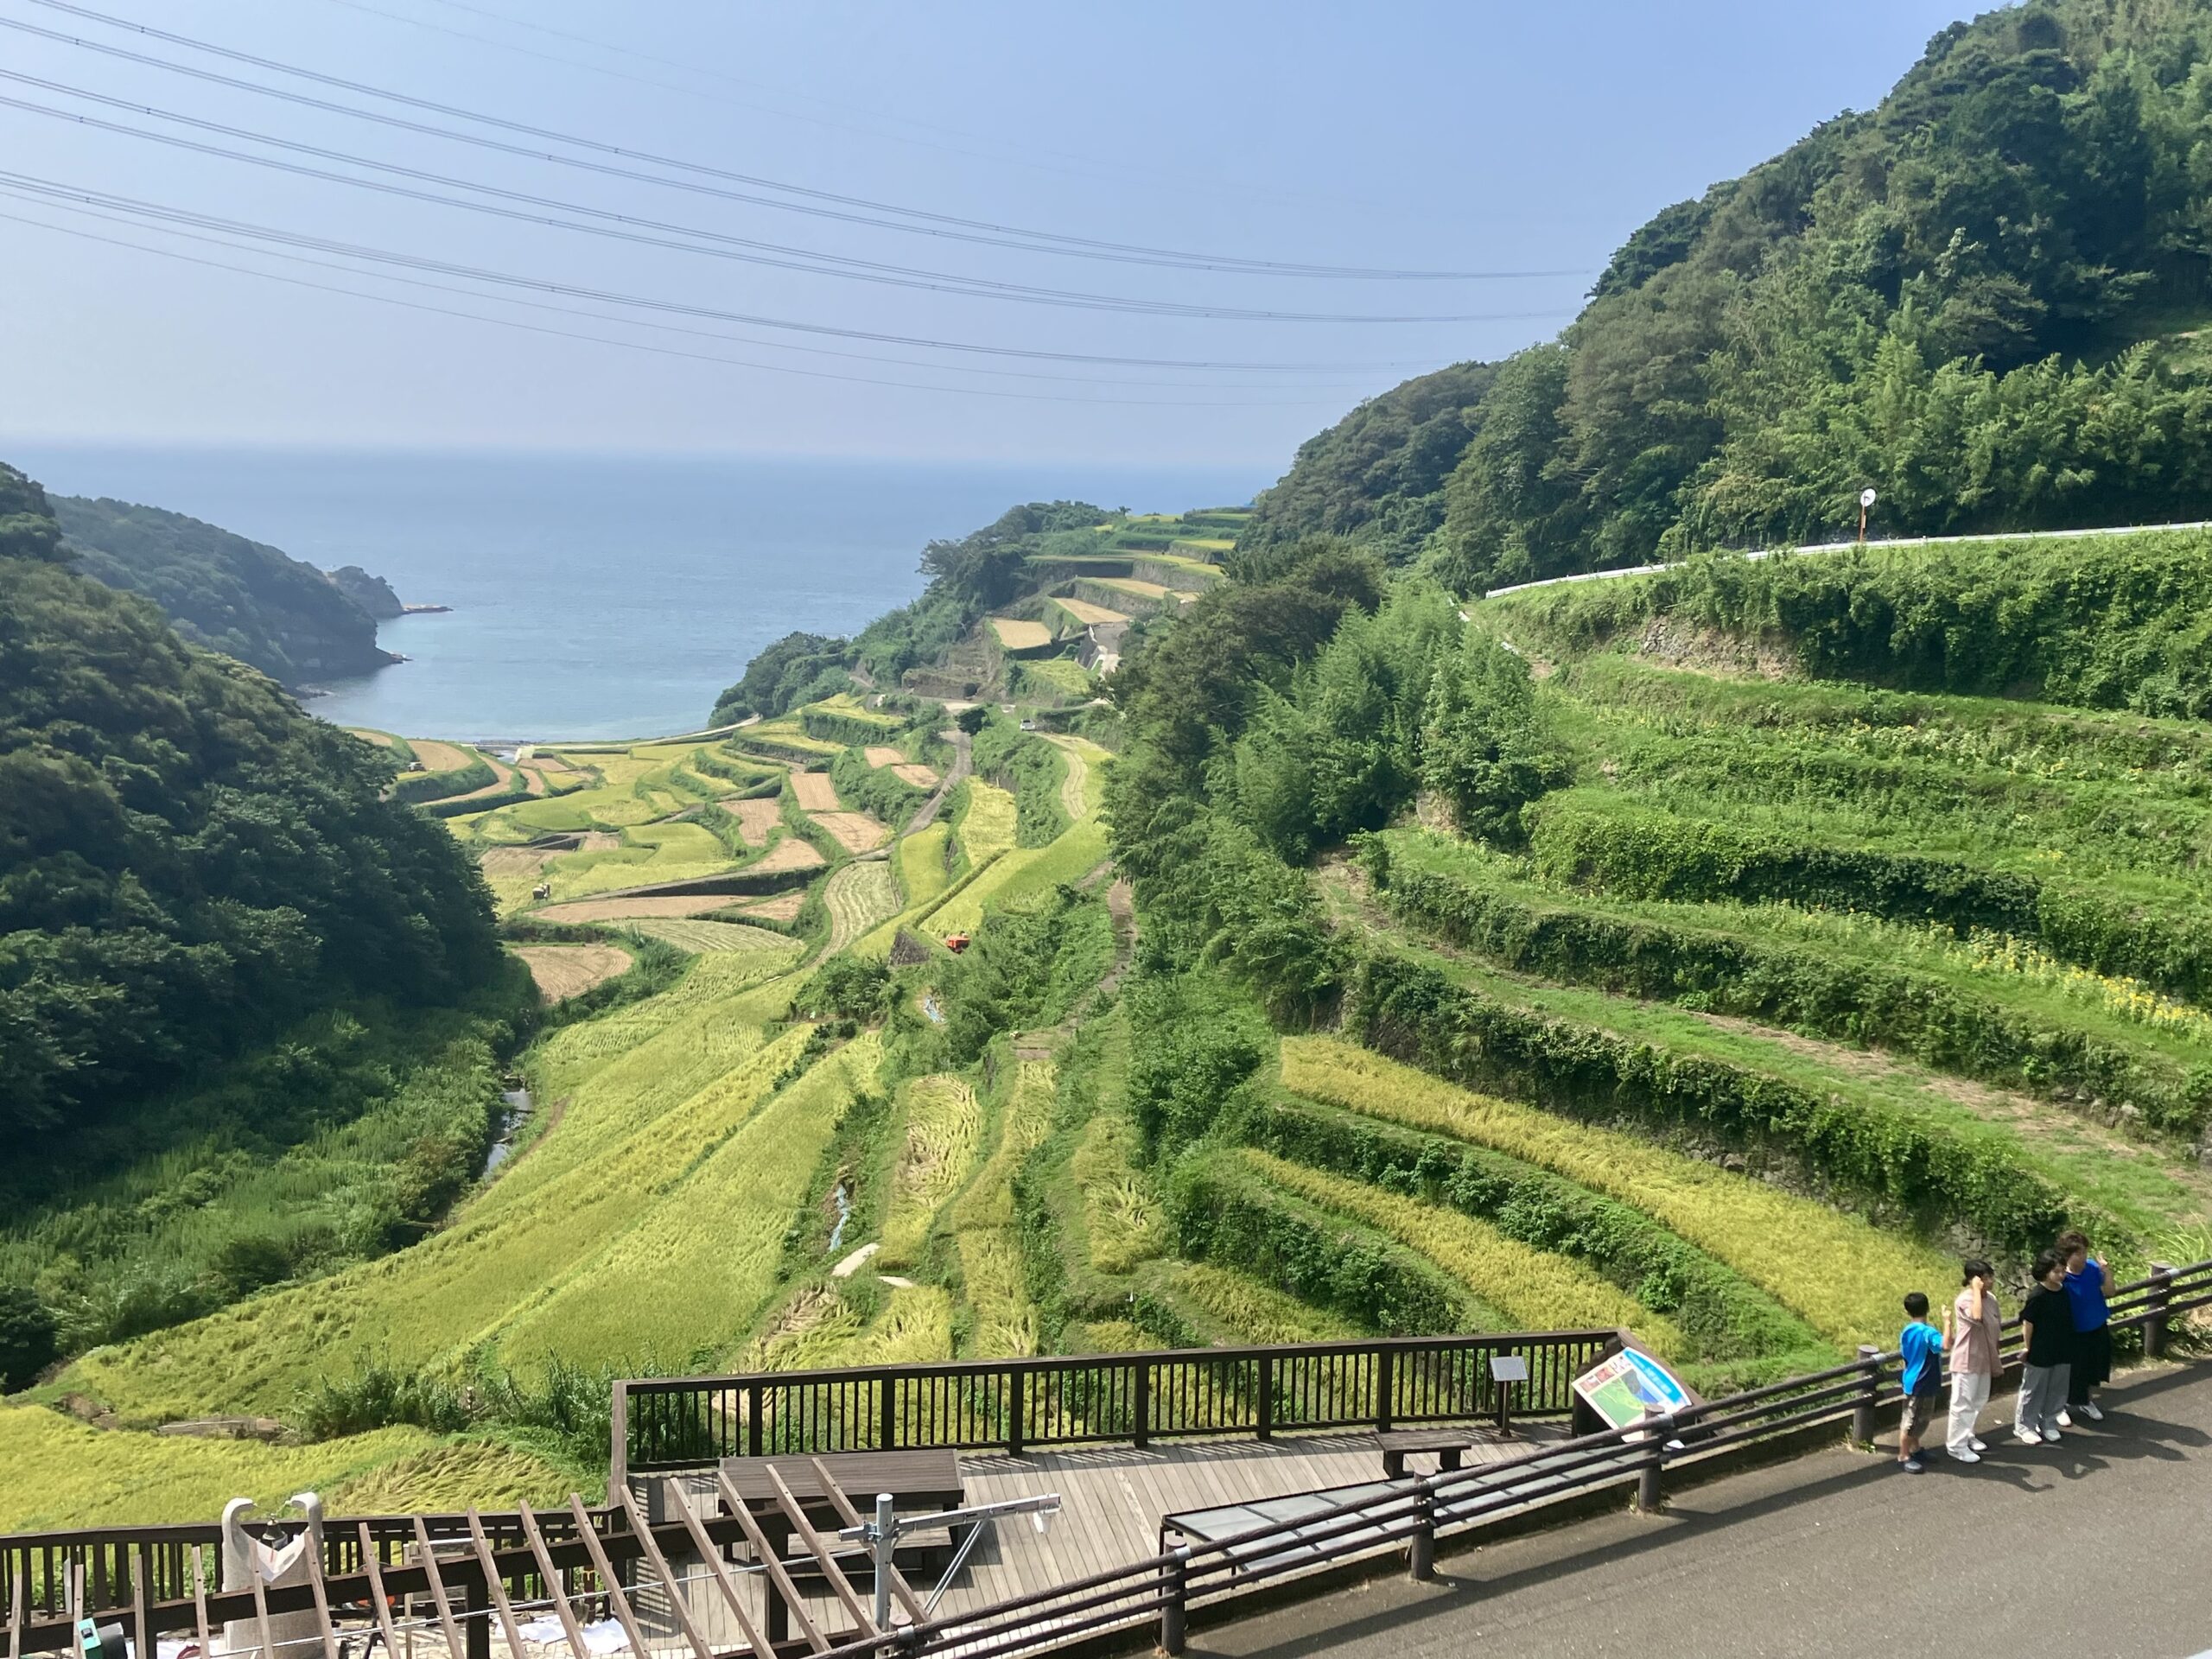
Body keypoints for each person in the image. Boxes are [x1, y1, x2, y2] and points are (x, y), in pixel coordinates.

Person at [2056, 1229, 2113, 1426]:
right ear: (2067, 1256)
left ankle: (2086, 1401)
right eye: (2079, 1253)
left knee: (2093, 1368)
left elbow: (2110, 1292)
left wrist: (2106, 1271)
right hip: (2074, 1332)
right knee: (2070, 1371)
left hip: (2097, 1326)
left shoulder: (2091, 1268)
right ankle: (2059, 1406)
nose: (2084, 1256)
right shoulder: (2062, 1277)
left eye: (2085, 1251)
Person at [2016, 1249, 2074, 1444]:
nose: (2061, 1275)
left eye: (2063, 1271)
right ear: (2045, 1271)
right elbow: (2028, 1323)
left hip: (2063, 1347)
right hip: (2040, 1349)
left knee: (2058, 1388)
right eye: (2056, 1271)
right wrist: (2028, 1347)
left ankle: (2049, 1423)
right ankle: (2025, 1426)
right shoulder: (2038, 1295)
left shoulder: (2064, 1291)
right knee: (2033, 1390)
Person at [1946, 1258, 1999, 1461]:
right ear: (1974, 1280)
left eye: (1990, 1276)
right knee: (1963, 1403)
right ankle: (1956, 1446)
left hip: (1985, 1357)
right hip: (1967, 1359)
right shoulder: (1965, 1300)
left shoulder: (1991, 1299)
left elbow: (1995, 1326)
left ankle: (1968, 1435)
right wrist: (1976, 1290)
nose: (1990, 1281)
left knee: (1978, 1400)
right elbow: (1977, 1317)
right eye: (1986, 1278)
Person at [1896, 1291, 1945, 1472]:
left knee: (1916, 1419)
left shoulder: (1907, 1331)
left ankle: (1915, 1449)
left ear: (1907, 1311)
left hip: (1912, 1379)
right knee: (1911, 1420)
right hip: (1922, 1381)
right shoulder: (1928, 1332)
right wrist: (1947, 1322)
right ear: (1928, 1308)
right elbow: (1946, 1344)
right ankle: (1903, 1454)